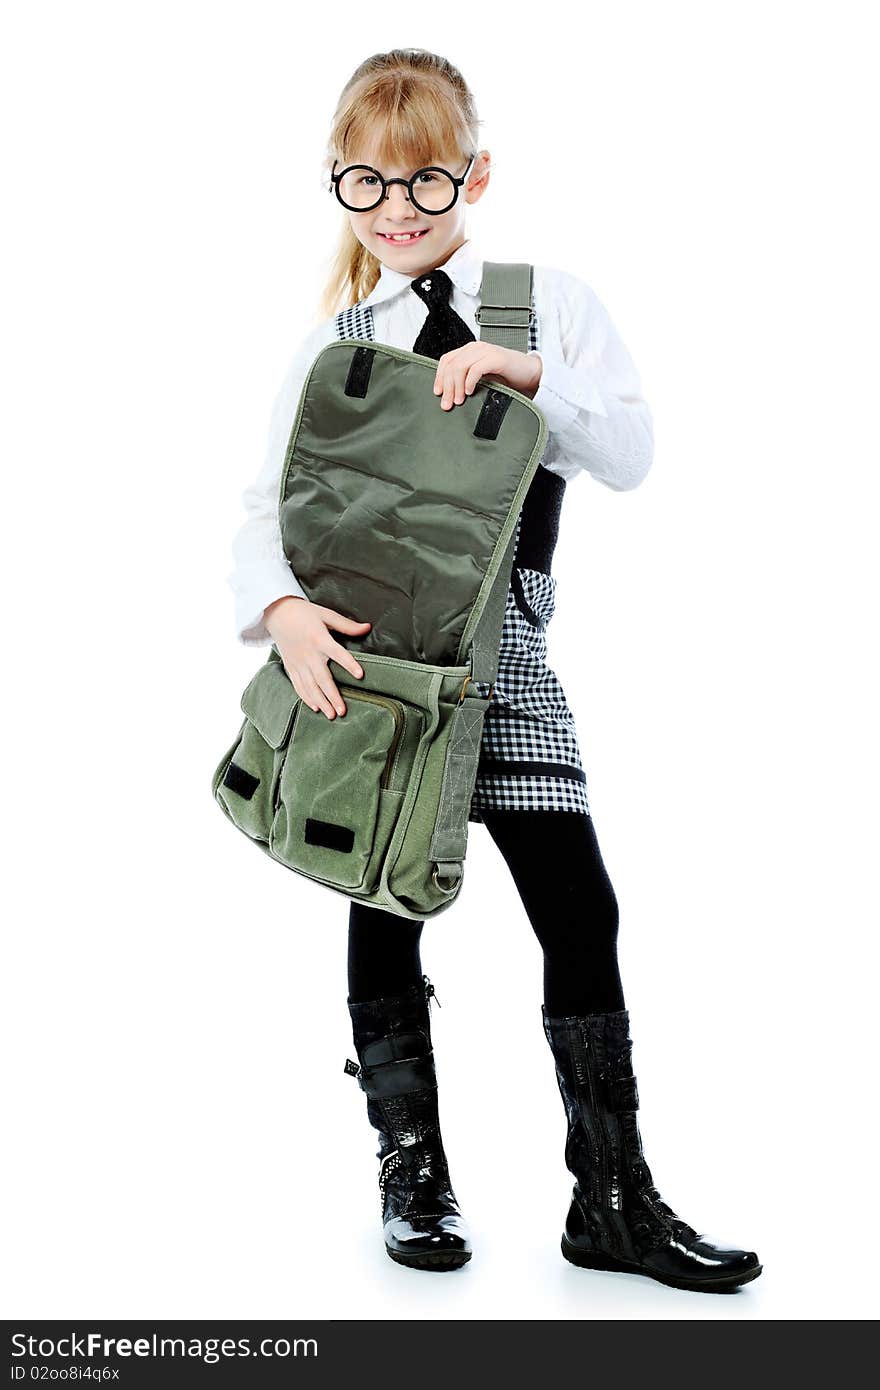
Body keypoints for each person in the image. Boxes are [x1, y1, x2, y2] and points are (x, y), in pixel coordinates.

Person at [226, 48, 762, 1293]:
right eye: (366, 184)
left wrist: (534, 376)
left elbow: (630, 452)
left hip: (505, 650)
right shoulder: (340, 347)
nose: (397, 209)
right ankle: (412, 1177)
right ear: (338, 187)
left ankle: (611, 1197)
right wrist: (281, 611)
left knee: (577, 905)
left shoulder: (546, 303)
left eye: (423, 179)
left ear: (475, 171)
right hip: (374, 661)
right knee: (383, 894)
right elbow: (264, 509)